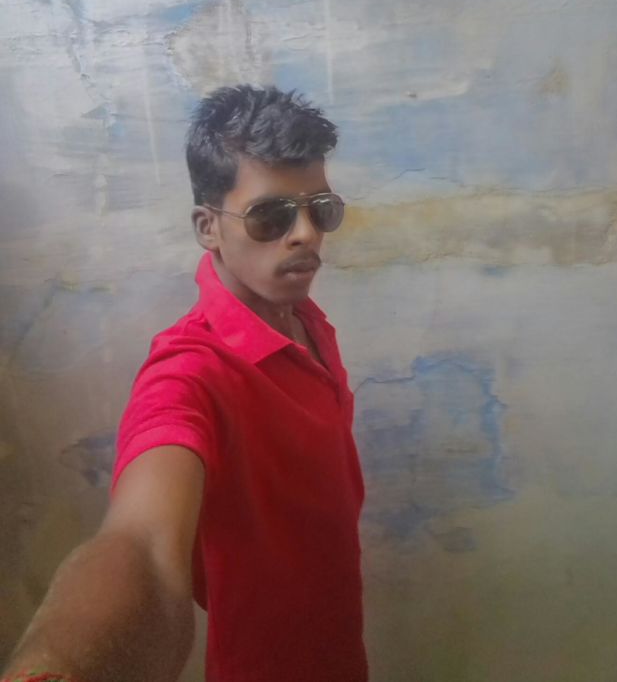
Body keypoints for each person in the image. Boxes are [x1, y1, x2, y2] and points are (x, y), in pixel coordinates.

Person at [3, 86, 368, 682]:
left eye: (321, 210)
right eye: (271, 216)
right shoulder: (187, 372)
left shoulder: (302, 318)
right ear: (208, 226)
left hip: (340, 644)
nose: (305, 233)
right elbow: (142, 544)